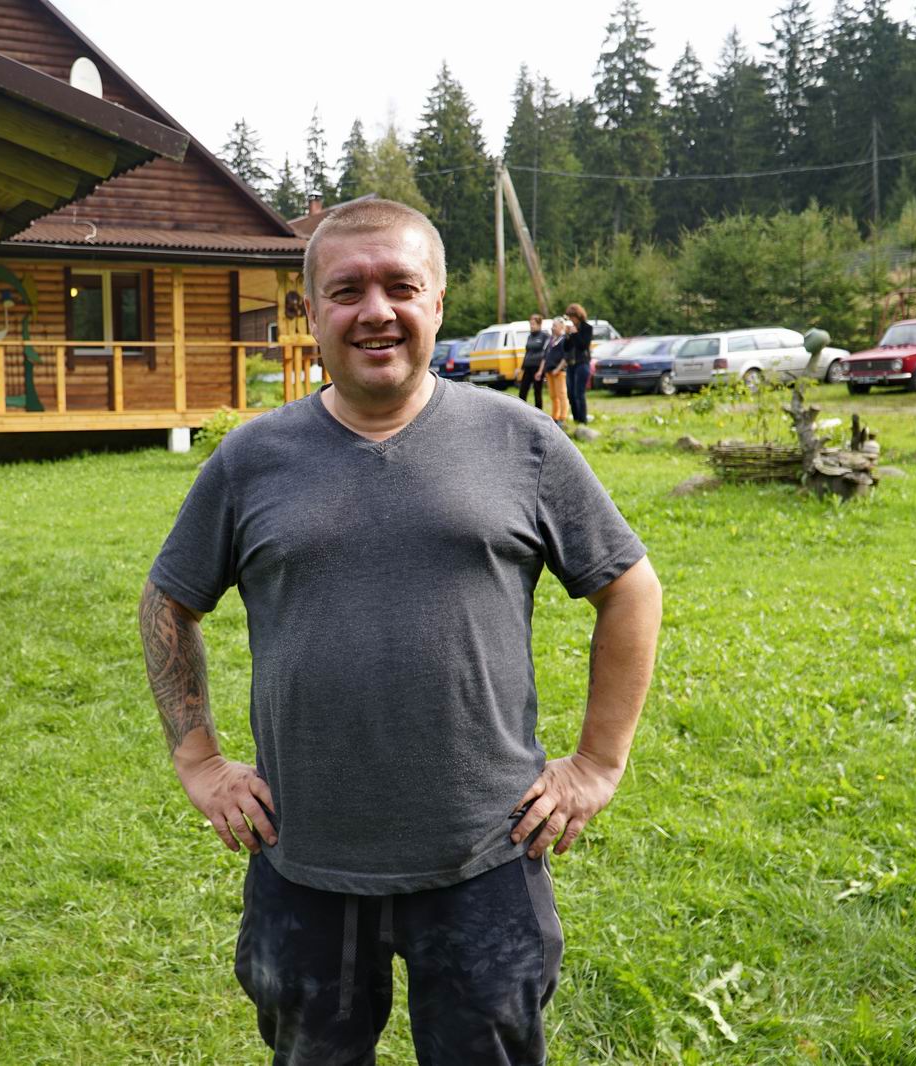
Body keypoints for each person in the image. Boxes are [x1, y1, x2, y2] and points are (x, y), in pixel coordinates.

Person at [140, 199, 662, 1065]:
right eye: (346, 291)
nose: (375, 311)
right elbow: (168, 601)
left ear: (437, 303)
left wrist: (599, 764)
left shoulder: (522, 442)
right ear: (311, 312)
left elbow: (630, 588)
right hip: (303, 861)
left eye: (400, 287)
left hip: (487, 857)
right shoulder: (250, 460)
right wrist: (198, 762)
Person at [560, 303, 593, 425]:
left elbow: (583, 345)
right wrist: (568, 336)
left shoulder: (587, 328)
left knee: (579, 393)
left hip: (582, 363)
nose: (571, 319)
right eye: (569, 317)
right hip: (571, 364)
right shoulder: (571, 328)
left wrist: (575, 334)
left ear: (578, 316)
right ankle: (576, 419)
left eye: (572, 316)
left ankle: (582, 420)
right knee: (571, 394)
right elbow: (566, 348)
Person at [516, 312, 549, 410]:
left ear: (539, 324)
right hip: (528, 367)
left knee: (537, 391)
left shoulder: (544, 336)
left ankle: (539, 412)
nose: (531, 326)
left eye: (533, 324)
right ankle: (520, 410)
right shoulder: (529, 336)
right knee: (523, 390)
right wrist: (521, 368)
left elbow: (545, 354)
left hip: (537, 367)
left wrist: (540, 371)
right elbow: (527, 353)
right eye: (530, 324)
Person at [542, 314, 571, 422]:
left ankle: (563, 417)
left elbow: (566, 357)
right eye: (552, 325)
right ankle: (555, 416)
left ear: (561, 327)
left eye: (555, 326)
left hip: (559, 372)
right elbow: (546, 355)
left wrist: (558, 369)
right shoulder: (551, 339)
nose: (553, 328)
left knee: (561, 394)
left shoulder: (564, 339)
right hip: (549, 371)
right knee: (553, 395)